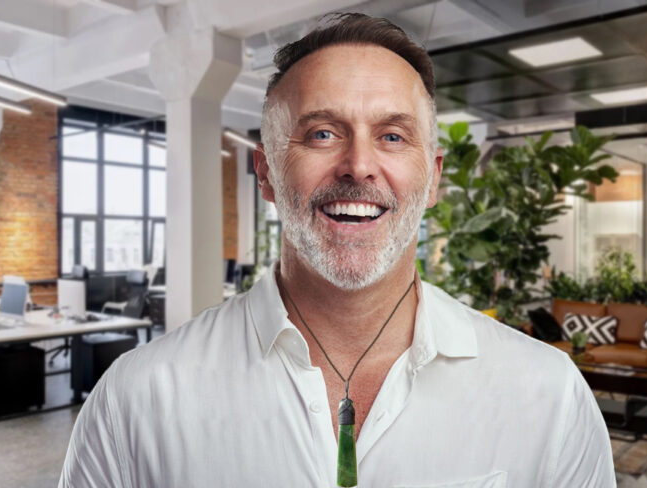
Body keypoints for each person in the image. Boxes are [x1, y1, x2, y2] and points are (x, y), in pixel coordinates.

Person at [59, 13, 615, 488]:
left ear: (434, 179)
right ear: (267, 173)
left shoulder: (547, 395)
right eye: (323, 133)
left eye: (393, 136)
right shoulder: (136, 401)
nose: (359, 165)